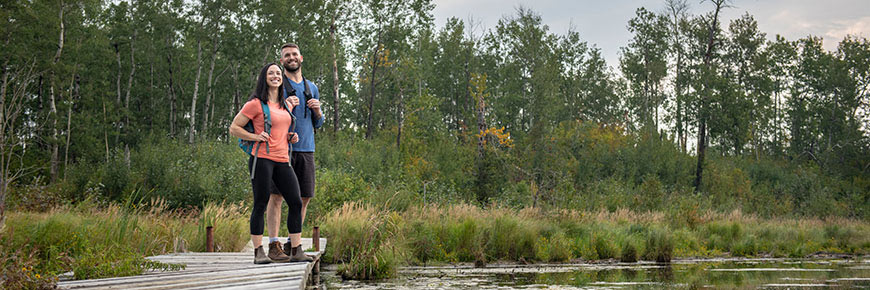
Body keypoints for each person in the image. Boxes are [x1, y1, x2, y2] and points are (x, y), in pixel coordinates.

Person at [229, 63, 313, 264]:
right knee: (260, 202)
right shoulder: (255, 104)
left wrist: (290, 136)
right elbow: (234, 128)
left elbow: (281, 129)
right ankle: (259, 252)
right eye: (271, 73)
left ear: (282, 78)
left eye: (278, 73)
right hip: (262, 159)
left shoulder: (285, 104)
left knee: (295, 201)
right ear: (264, 78)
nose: (275, 76)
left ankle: (296, 250)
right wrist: (255, 136)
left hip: (283, 160)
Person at [266, 43, 323, 258]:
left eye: (294, 54)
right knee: (277, 196)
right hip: (281, 149)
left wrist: (317, 111)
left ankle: (292, 243)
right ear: (281, 61)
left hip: (307, 148)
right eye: (286, 55)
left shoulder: (312, 87)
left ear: (301, 58)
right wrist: (285, 107)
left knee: (304, 197)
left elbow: (318, 124)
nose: (291, 58)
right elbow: (267, 115)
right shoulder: (277, 85)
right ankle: (273, 245)